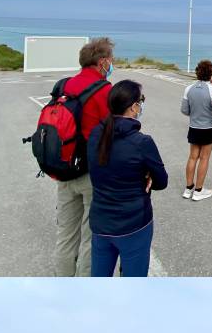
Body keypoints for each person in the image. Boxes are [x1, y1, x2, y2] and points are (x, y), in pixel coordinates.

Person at [87, 80, 168, 277]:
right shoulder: (142, 142)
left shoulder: (96, 134)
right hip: (133, 224)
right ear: (133, 106)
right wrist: (147, 175)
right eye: (141, 101)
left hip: (100, 222)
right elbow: (162, 181)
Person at [54, 37, 114, 277]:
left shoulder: (64, 85)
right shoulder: (104, 90)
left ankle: (63, 281)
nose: (111, 64)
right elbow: (113, 131)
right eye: (110, 60)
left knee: (66, 235)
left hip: (63, 169)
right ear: (101, 62)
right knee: (92, 235)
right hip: (91, 172)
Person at [181, 59, 212, 202]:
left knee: (193, 156)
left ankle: (188, 189)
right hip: (208, 128)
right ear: (211, 74)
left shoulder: (188, 89)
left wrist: (195, 115)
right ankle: (199, 191)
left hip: (194, 127)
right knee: (204, 158)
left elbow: (184, 110)